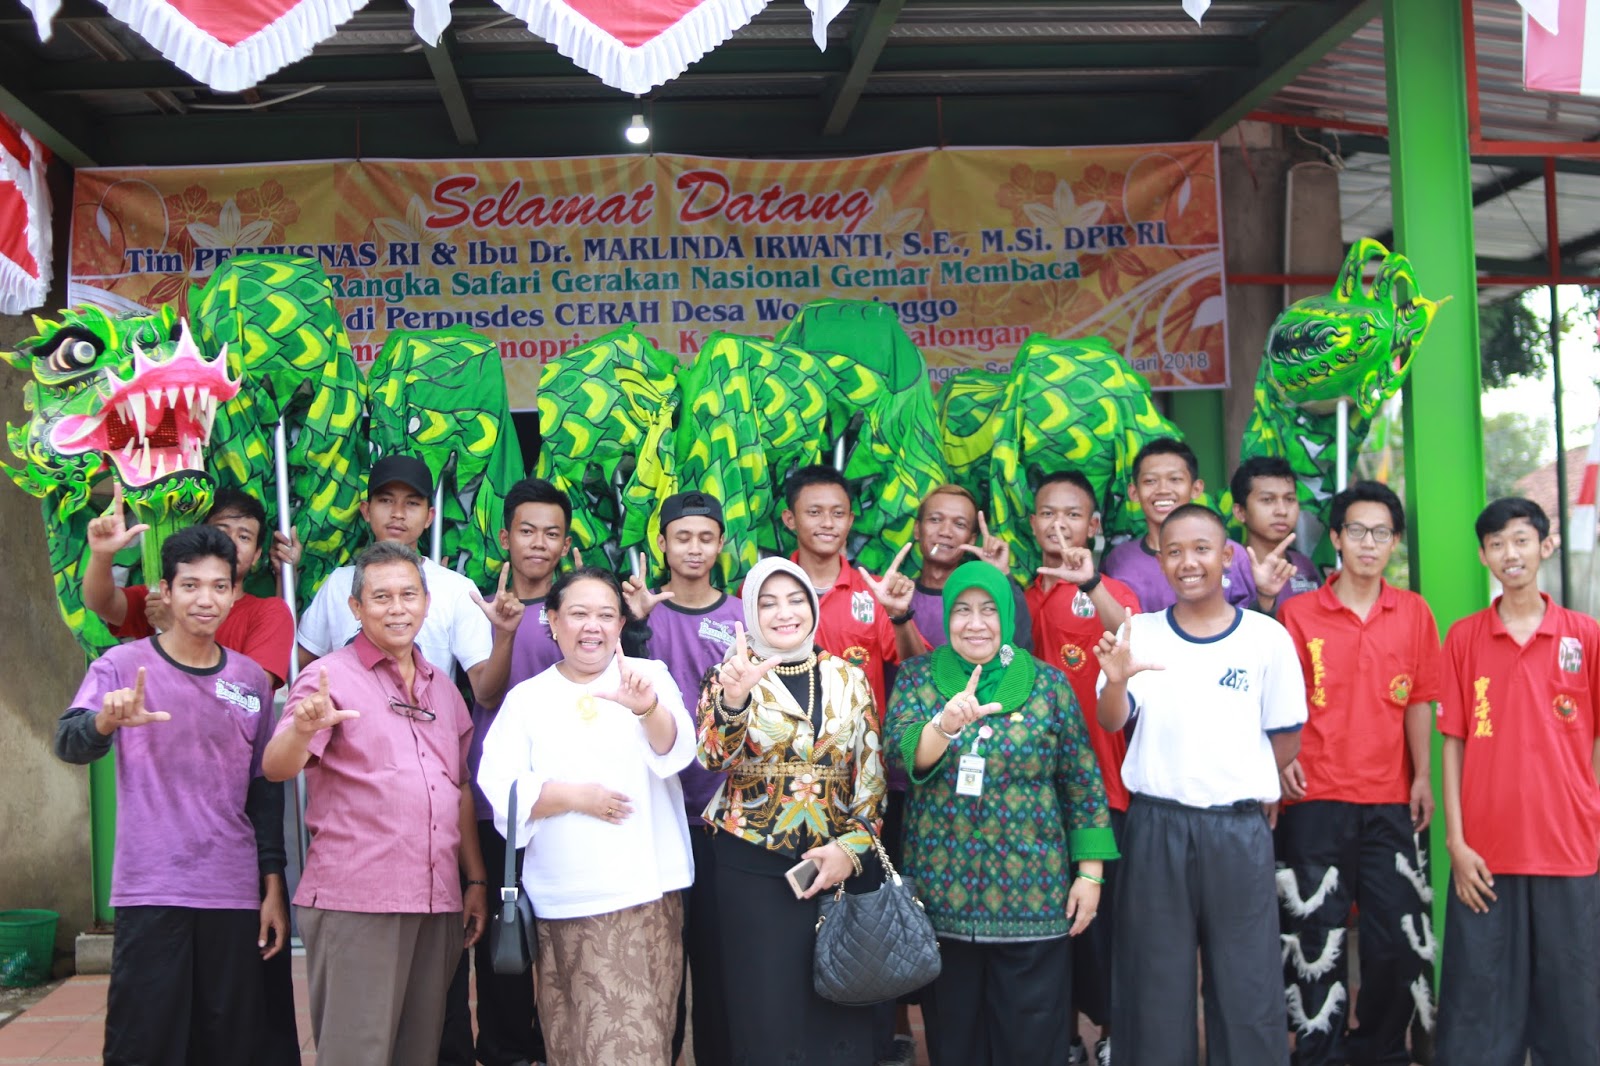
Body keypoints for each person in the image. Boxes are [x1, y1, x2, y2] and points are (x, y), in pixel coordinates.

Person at [81, 484, 303, 1065]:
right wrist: (104, 722)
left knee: (229, 1044)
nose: (206, 599)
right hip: (152, 887)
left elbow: (263, 788)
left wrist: (272, 882)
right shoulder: (123, 666)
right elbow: (69, 741)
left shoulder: (250, 680)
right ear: (166, 591)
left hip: (232, 890)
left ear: (235, 591)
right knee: (144, 1042)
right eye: (191, 585)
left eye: (218, 586)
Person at [262, 541, 489, 1066]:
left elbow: (457, 787)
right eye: (381, 597)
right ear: (356, 608)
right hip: (359, 899)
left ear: (427, 604)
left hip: (436, 901)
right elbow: (277, 766)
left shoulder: (443, 690)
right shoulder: (330, 678)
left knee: (418, 1052)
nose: (397, 608)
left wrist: (475, 880)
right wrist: (301, 730)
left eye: (409, 595)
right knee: (357, 1054)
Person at [1095, 503, 1306, 1066]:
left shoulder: (1265, 638)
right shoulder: (1140, 634)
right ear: (1161, 561)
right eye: (1174, 552)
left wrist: (1243, 777)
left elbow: (1285, 738)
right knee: (1153, 979)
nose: (1188, 562)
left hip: (1237, 829)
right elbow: (1113, 720)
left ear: (1228, 556)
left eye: (1201, 549)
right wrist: (1115, 682)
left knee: (1247, 978)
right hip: (1156, 824)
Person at [888, 561, 1116, 1065]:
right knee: (956, 1042)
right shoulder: (918, 678)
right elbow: (902, 757)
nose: (976, 623)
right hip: (942, 900)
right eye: (963, 610)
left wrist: (1090, 875)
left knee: (1032, 1042)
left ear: (1008, 616)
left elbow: (1081, 781)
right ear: (946, 615)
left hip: (1034, 899)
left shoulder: (1049, 685)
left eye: (989, 610)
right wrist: (944, 726)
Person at [479, 566, 696, 1066]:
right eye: (578, 614)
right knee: (574, 1038)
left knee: (641, 1039)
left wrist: (646, 709)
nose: (592, 626)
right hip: (565, 898)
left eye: (605, 615)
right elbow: (500, 789)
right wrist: (573, 796)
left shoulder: (647, 676)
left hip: (645, 894)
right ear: (553, 621)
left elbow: (676, 750)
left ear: (621, 624)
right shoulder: (527, 699)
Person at [697, 557, 888, 1065]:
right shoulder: (728, 675)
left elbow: (871, 780)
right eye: (768, 603)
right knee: (767, 1013)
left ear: (812, 606)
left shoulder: (850, 677)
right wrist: (734, 700)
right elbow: (712, 757)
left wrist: (851, 851)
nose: (785, 613)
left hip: (838, 866)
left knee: (840, 1006)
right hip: (754, 865)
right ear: (750, 613)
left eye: (795, 599)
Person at [1275, 480, 1441, 1065]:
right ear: (1337, 538)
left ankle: (1379, 1050)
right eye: (1358, 531)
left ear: (1394, 542)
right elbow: (1280, 701)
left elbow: (1419, 699)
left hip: (1391, 798)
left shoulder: (1414, 612)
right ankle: (1318, 1052)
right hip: (1314, 796)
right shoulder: (1297, 613)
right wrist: (1284, 760)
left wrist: (1422, 776)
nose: (1369, 543)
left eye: (1381, 533)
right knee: (1315, 935)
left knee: (1395, 937)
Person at [1434, 497, 1600, 1065]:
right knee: (1480, 1012)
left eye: (1522, 540)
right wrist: (1457, 844)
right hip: (1486, 857)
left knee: (1573, 1010)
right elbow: (1453, 743)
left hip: (1569, 850)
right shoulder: (1464, 638)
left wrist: (1589, 810)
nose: (1511, 553)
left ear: (1545, 546)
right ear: (1483, 556)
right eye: (1497, 543)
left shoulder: (1585, 636)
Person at [780, 464, 926, 1064]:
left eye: (837, 512)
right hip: (787, 792)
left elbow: (914, 670)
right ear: (789, 519)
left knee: (868, 912)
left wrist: (899, 615)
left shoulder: (871, 590)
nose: (827, 523)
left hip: (865, 790)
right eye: (813, 512)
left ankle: (876, 1040)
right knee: (797, 915)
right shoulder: (771, 592)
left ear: (850, 519)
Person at [1022, 470, 1139, 1066]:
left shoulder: (1110, 590)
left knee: (1106, 925)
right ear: (1032, 523)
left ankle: (1115, 1033)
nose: (1059, 524)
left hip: (1102, 785)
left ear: (1094, 525)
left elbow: (1132, 641)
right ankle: (1062, 1040)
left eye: (1072, 514)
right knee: (1048, 925)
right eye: (1048, 513)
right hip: (1029, 792)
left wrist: (1090, 583)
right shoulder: (1017, 593)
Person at [624, 490, 743, 1066]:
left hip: (726, 815)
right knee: (660, 959)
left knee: (719, 962)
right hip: (660, 813)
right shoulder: (639, 615)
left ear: (721, 545)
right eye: (682, 537)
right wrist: (635, 627)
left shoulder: (743, 616)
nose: (694, 549)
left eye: (705, 538)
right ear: (662, 544)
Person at [454, 478, 569, 1066]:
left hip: (566, 800)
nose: (538, 543)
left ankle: (557, 1048)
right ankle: (504, 1052)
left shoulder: (578, 609)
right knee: (504, 941)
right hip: (499, 800)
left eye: (551, 533)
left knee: (560, 937)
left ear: (566, 544)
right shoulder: (479, 606)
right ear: (505, 537)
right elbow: (486, 693)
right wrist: (503, 632)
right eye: (527, 531)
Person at [296, 454, 521, 709]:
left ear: (429, 517)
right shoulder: (339, 583)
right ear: (366, 511)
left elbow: (485, 694)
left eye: (412, 503)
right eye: (386, 501)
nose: (398, 513)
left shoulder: (457, 589)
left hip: (428, 729)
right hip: (352, 729)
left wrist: (505, 635)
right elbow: (301, 667)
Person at [85, 485, 297, 687]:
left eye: (244, 536)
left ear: (257, 555)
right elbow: (102, 603)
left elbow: (250, 694)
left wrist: (176, 631)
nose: (232, 542)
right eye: (222, 530)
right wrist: (102, 555)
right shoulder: (167, 596)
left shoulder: (269, 612)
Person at [1102, 438, 1255, 613]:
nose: (1163, 490)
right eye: (1150, 481)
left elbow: (1250, 621)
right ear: (1133, 492)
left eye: (1175, 479)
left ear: (1196, 489)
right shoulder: (1118, 560)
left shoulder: (1231, 555)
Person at [904, 483, 1032, 651]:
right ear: (917, 530)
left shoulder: (983, 598)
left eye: (959, 524)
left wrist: (1001, 574)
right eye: (935, 519)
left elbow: (1019, 647)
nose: (945, 532)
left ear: (971, 539)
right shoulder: (899, 595)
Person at [1230, 455, 1322, 615]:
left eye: (1289, 499)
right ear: (1240, 512)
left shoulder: (1304, 566)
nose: (1282, 511)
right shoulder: (1227, 569)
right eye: (1267, 500)